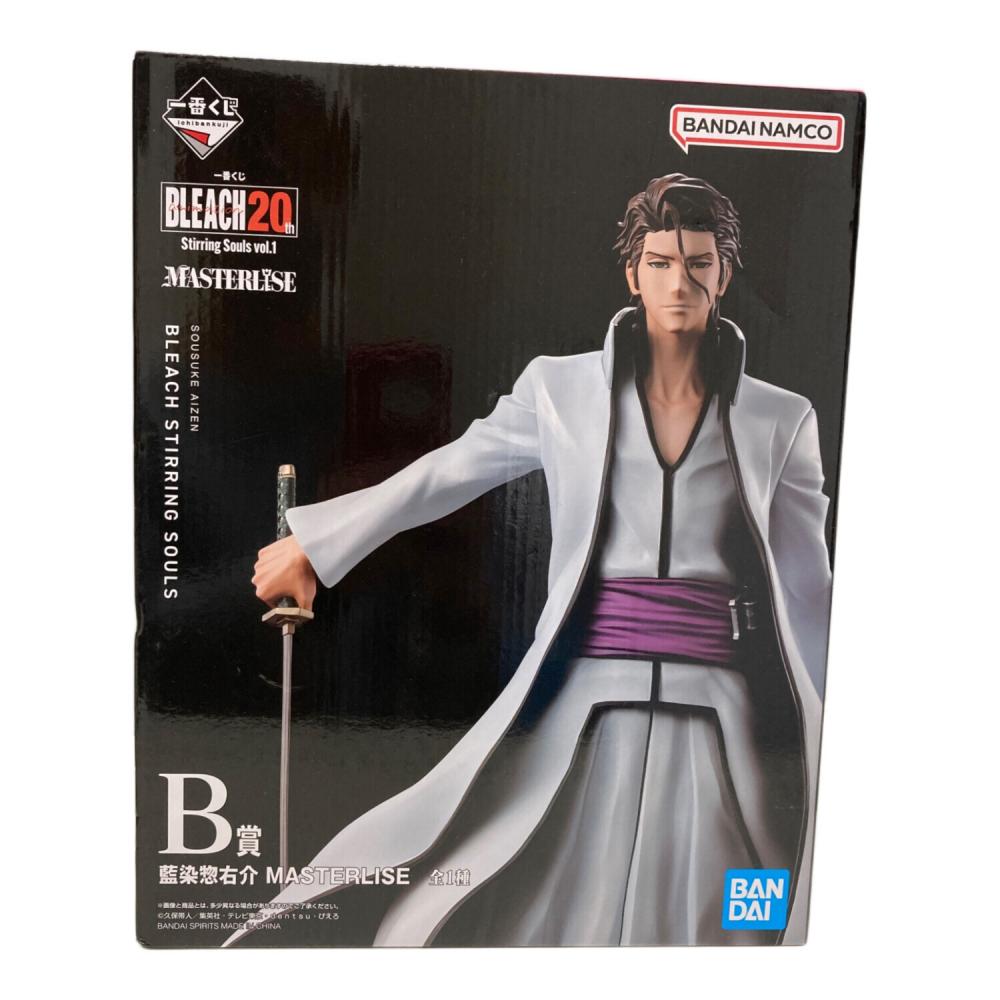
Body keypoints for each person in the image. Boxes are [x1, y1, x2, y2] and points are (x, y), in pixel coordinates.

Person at [238, 173, 832, 947]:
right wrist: (318, 546)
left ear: (724, 273)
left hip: (719, 712)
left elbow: (808, 588)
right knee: (523, 909)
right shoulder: (561, 390)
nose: (679, 283)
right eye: (660, 262)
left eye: (698, 263)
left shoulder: (779, 418)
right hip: (586, 699)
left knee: (725, 922)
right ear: (633, 273)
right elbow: (451, 471)